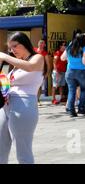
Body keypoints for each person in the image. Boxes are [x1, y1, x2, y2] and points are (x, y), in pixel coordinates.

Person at [0, 32, 46, 164]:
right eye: (10, 48)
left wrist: (5, 57)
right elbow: (7, 83)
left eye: (15, 46)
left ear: (25, 43)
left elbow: (30, 67)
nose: (12, 50)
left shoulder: (37, 58)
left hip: (24, 105)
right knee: (1, 148)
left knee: (23, 150)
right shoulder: (16, 66)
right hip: (6, 105)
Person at [61, 33, 85, 117]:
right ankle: (81, 109)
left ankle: (71, 110)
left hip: (70, 72)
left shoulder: (69, 47)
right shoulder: (84, 48)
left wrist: (70, 60)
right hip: (81, 72)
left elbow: (62, 58)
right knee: (83, 90)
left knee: (71, 91)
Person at [35, 40, 51, 105]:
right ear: (38, 44)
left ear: (44, 45)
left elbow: (48, 64)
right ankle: (34, 100)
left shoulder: (45, 53)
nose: (41, 44)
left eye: (43, 43)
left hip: (40, 72)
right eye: (40, 43)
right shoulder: (34, 50)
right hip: (32, 71)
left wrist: (47, 73)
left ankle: (37, 100)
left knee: (39, 86)